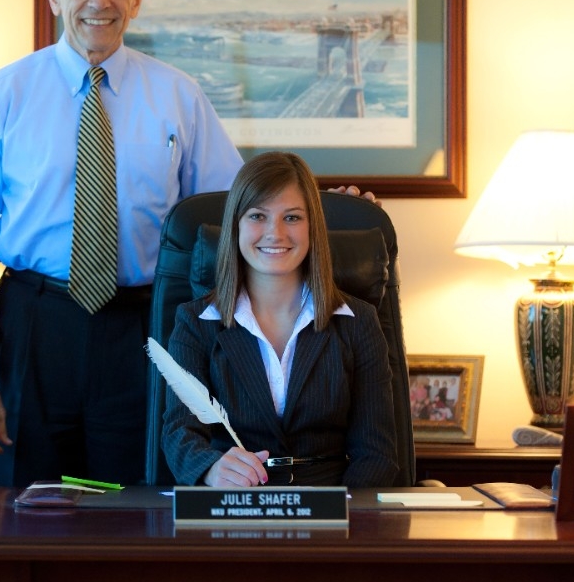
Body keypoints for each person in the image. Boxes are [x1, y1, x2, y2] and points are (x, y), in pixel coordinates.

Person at [0, 0, 243, 487]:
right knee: (20, 510)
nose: (97, 1)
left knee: (140, 508)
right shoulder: (3, 95)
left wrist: (328, 209)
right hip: (34, 323)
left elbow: (232, 213)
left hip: (144, 328)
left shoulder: (179, 95)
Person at [160, 151, 398, 488]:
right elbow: (179, 435)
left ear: (312, 226)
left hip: (333, 508)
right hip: (235, 506)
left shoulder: (358, 322)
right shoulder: (195, 322)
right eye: (258, 215)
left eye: (292, 218)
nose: (275, 233)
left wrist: (341, 517)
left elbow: (377, 455)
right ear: (236, 226)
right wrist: (211, 469)